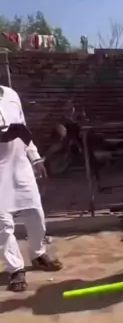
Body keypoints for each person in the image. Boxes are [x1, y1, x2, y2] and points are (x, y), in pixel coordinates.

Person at [0, 85, 62, 292]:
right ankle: (15, 268)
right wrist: (3, 136)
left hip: (20, 165)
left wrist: (35, 158)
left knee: (35, 212)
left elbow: (23, 129)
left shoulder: (11, 95)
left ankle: (38, 253)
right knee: (2, 222)